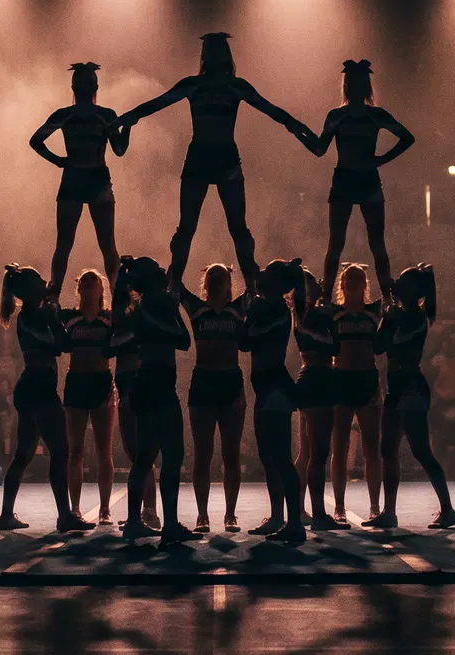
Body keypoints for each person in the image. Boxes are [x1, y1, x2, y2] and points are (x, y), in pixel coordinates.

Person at [117, 32, 316, 291]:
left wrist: (296, 126)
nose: (214, 56)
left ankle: (250, 287)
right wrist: (129, 117)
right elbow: (158, 103)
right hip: (202, 159)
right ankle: (175, 284)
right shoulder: (195, 85)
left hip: (223, 161)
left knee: (234, 228)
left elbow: (269, 109)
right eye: (211, 51)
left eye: (218, 50)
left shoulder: (233, 86)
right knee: (191, 227)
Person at [0, 265, 93, 533]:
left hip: (33, 389)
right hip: (39, 390)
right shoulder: (31, 316)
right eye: (40, 280)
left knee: (23, 454)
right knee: (59, 452)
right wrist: (54, 313)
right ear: (29, 291)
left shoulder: (33, 314)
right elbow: (62, 346)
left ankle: (6, 515)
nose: (45, 282)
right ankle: (64, 516)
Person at [309, 60, 415, 298]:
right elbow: (407, 138)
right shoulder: (361, 115)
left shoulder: (345, 116)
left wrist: (383, 159)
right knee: (370, 242)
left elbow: (318, 149)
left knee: (344, 242)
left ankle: (331, 296)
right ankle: (384, 296)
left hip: (353, 179)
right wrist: (382, 159)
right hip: (357, 179)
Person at [116, 256, 201, 543]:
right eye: (160, 271)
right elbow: (183, 340)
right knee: (172, 456)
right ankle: (171, 525)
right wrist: (175, 306)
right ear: (153, 279)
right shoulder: (157, 304)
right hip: (160, 386)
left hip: (145, 383)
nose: (165, 273)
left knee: (143, 459)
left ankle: (133, 522)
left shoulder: (139, 306)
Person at [366, 264, 455, 529]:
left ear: (414, 291)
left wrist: (390, 317)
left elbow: (394, 343)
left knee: (421, 450)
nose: (395, 285)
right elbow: (377, 346)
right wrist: (385, 317)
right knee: (387, 449)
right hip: (395, 388)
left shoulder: (416, 318)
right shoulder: (398, 315)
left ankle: (448, 509)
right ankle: (390, 512)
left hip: (411, 388)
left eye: (402, 283)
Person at [30, 63, 127, 297]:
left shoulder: (67, 115)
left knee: (65, 244)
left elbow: (36, 141)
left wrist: (59, 161)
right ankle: (117, 297)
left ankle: (55, 295)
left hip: (77, 178)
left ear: (73, 87)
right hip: (93, 178)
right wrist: (128, 128)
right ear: (96, 87)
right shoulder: (104, 115)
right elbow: (120, 149)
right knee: (106, 245)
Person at [239, 258, 307, 543]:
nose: (260, 275)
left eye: (265, 272)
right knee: (269, 458)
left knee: (280, 458)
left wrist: (247, 312)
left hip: (275, 389)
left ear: (278, 284)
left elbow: (245, 341)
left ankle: (294, 522)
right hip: (266, 388)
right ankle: (279, 516)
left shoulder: (275, 308)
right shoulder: (268, 307)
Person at [178, 263, 247, 533]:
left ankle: (230, 514)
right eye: (213, 277)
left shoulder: (239, 308)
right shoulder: (197, 308)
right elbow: (177, 286)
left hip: (230, 381)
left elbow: (255, 284)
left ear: (229, 283)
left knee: (231, 453)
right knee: (203, 453)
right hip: (204, 381)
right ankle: (202, 515)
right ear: (206, 283)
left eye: (222, 277)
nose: (218, 281)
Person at [327, 265, 385, 521]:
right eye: (348, 277)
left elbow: (391, 292)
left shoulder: (374, 312)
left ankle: (375, 505)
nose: (352, 281)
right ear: (341, 284)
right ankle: (339, 506)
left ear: (365, 284)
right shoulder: (334, 313)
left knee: (372, 446)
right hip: (341, 379)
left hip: (367, 380)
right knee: (339, 446)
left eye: (358, 277)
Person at [60, 269, 118, 524]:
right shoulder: (70, 318)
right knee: (75, 449)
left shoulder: (109, 319)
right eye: (84, 282)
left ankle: (105, 508)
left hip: (101, 383)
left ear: (101, 290)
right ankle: (75, 508)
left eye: (93, 282)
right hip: (76, 383)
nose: (88, 286)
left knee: (103, 449)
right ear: (79, 289)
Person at [108, 268, 160, 528]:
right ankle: (146, 511)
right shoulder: (121, 320)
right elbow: (109, 348)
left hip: (138, 386)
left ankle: (149, 512)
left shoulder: (143, 315)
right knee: (135, 453)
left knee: (142, 454)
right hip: (127, 385)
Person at [294, 269, 345, 530]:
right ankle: (318, 513)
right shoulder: (311, 315)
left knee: (307, 453)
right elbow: (333, 347)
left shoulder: (307, 312)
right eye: (313, 284)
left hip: (311, 378)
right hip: (318, 380)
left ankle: (300, 511)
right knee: (319, 452)